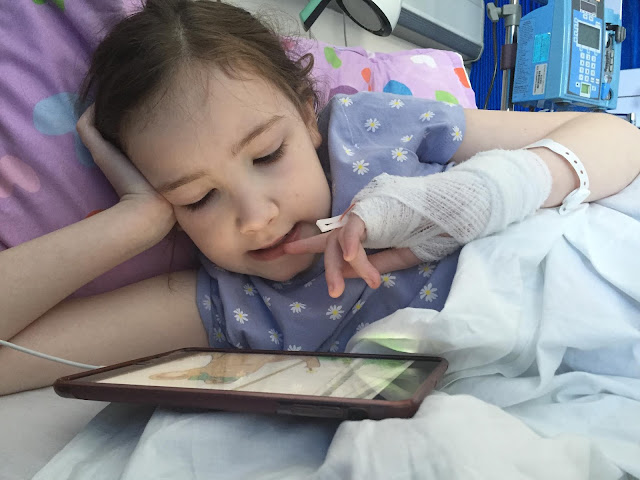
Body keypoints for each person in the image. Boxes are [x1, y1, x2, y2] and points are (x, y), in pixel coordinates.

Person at [1, 0, 639, 396]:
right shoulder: (234, 303)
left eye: (268, 156)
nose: (256, 219)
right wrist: (132, 223)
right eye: (197, 199)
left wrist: (488, 189)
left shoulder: (374, 129)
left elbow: (620, 141)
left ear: (309, 114)